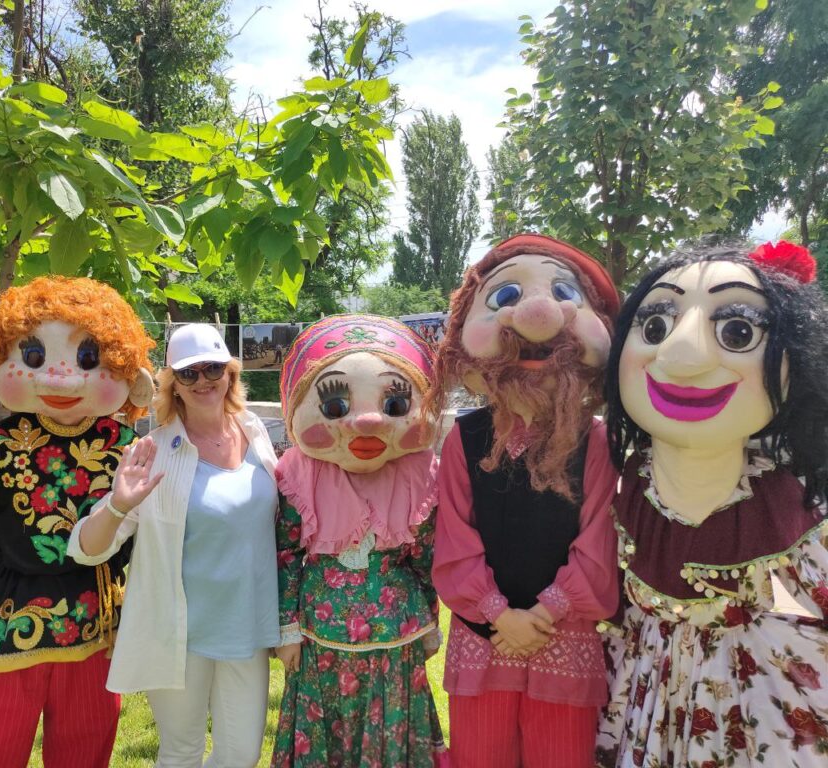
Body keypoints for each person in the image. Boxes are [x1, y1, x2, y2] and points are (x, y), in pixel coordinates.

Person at [596, 241, 828, 767]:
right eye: (656, 326)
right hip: (645, 673)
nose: (682, 355)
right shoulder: (631, 480)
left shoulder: (772, 494)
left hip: (747, 683)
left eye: (738, 332)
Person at [427, 234, 622, 768]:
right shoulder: (464, 438)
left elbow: (598, 542)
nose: (537, 317)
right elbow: (455, 540)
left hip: (563, 637)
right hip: (485, 638)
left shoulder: (596, 440)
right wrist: (498, 615)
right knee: (480, 756)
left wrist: (543, 613)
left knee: (562, 757)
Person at [0, 276, 156, 768]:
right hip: (18, 612)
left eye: (87, 358)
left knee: (83, 747)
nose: (61, 378)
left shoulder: (125, 447)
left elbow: (135, 533)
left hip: (88, 619)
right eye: (34, 356)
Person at [69, 323, 280, 768]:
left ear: (230, 373)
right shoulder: (156, 451)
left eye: (213, 368)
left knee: (241, 755)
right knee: (181, 753)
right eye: (188, 373)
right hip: (179, 635)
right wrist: (119, 505)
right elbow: (87, 548)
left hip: (247, 624)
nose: (203, 380)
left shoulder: (254, 430)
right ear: (173, 385)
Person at [271, 314, 447, 767]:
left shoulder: (419, 475)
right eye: (334, 407)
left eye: (394, 404)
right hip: (320, 637)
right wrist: (287, 629)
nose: (366, 422)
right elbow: (285, 554)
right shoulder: (299, 474)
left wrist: (430, 621)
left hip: (397, 636)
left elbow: (426, 557)